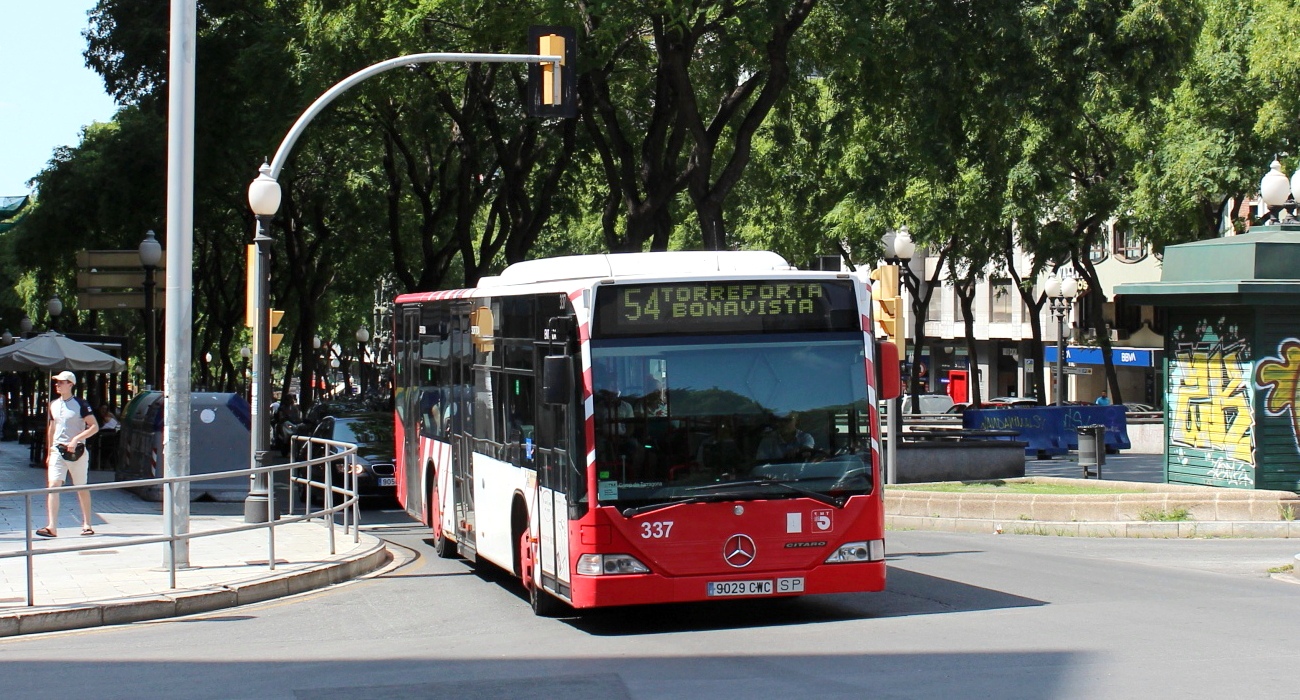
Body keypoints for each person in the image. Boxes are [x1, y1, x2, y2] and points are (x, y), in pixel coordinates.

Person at [36, 371, 98, 538]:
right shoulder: (53, 405)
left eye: (61, 382)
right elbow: (52, 428)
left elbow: (94, 426)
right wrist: (49, 451)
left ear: (70, 384)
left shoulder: (81, 404)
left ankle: (87, 523)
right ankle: (52, 526)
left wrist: (76, 439)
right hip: (58, 449)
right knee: (54, 485)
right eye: (57, 382)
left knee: (81, 487)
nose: (58, 385)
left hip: (77, 451)